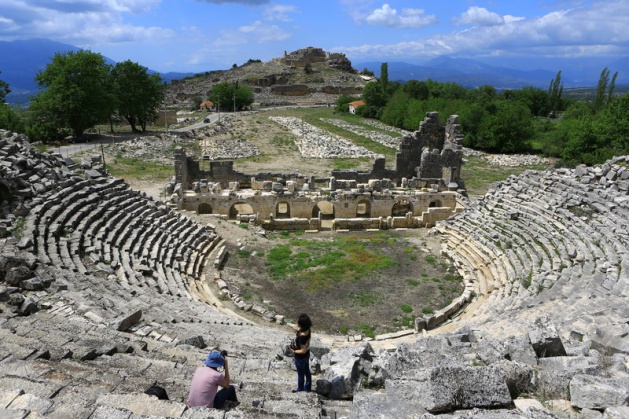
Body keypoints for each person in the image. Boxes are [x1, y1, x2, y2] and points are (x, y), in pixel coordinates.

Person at [289, 313, 312, 392]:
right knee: (307, 371)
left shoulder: (302, 337)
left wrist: (294, 350)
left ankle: (300, 389)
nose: (296, 321)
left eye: (298, 321)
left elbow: (303, 350)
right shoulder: (307, 330)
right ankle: (308, 388)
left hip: (300, 358)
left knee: (300, 374)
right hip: (307, 355)